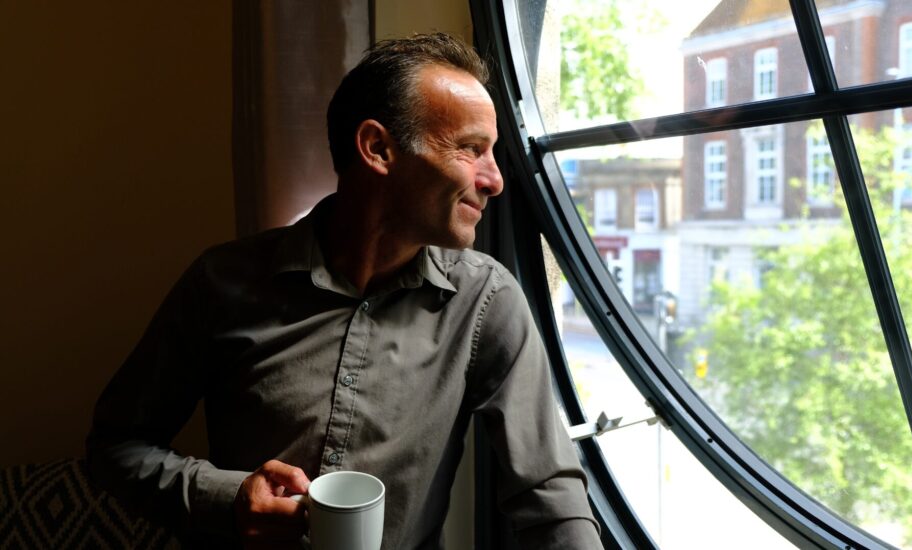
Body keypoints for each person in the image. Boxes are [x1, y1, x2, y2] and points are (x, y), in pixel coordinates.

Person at [87, 32, 601, 549]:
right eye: (471, 149)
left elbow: (549, 495)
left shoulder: (487, 301)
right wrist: (227, 497)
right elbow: (115, 447)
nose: (495, 180)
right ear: (378, 148)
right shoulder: (222, 283)